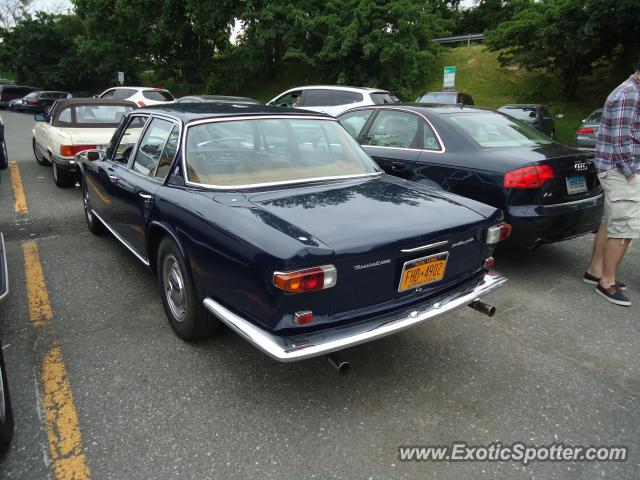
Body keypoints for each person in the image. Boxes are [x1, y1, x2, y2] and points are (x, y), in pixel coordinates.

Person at [584, 59, 640, 306]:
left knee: (610, 222)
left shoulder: (629, 90)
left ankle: (595, 270)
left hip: (616, 169)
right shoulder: (630, 94)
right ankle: (607, 282)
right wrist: (632, 173)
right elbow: (620, 141)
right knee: (625, 227)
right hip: (621, 170)